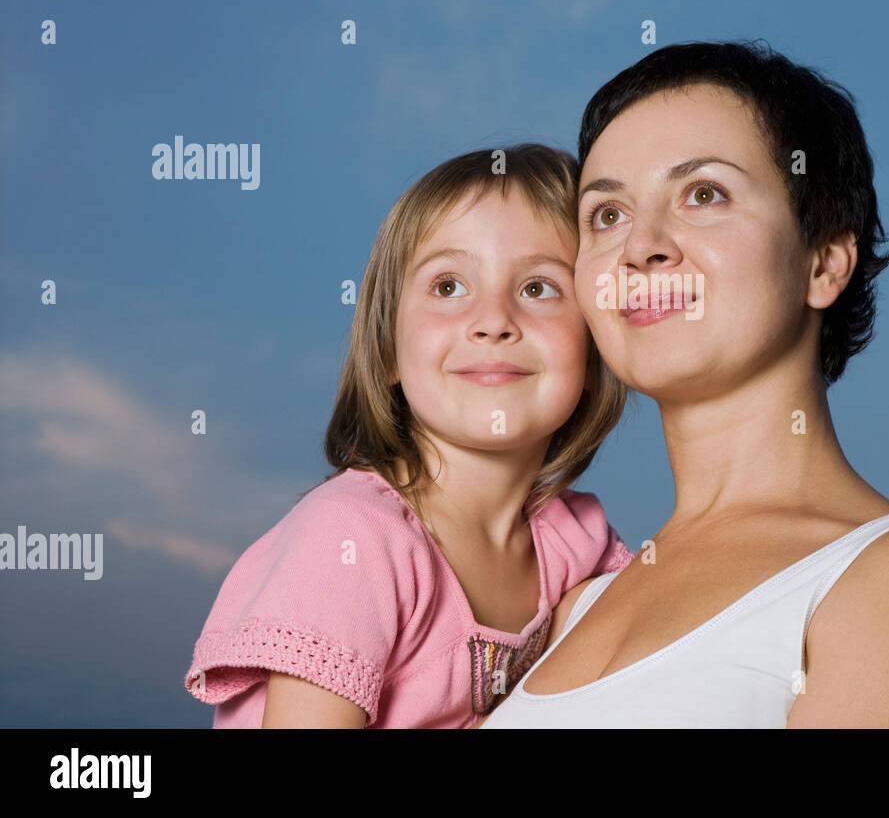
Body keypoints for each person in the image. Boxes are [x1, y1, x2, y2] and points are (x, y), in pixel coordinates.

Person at [482, 42, 889, 727]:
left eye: (704, 194)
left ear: (823, 263)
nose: (641, 245)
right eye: (607, 214)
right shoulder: (573, 607)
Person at [184, 144, 634, 727]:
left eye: (539, 288)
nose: (493, 320)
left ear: (596, 346)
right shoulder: (351, 541)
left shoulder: (576, 543)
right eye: (448, 287)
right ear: (390, 348)